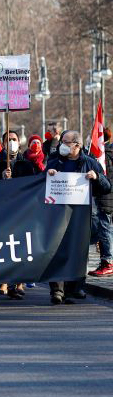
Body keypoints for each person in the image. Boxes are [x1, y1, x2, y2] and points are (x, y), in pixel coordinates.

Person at [46, 130, 111, 304]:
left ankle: (73, 289)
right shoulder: (54, 161)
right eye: (62, 142)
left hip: (81, 216)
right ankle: (57, 291)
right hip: (58, 214)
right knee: (57, 251)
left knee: (78, 252)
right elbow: (40, 183)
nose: (62, 145)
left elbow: (106, 187)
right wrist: (48, 174)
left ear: (77, 145)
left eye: (66, 142)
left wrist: (96, 177)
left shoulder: (90, 163)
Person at [89, 128, 113, 278]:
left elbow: (105, 178)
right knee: (103, 228)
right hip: (105, 195)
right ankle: (105, 261)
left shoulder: (104, 156)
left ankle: (107, 262)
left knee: (104, 228)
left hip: (105, 195)